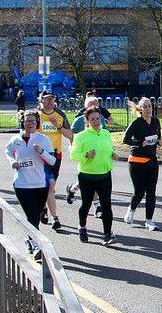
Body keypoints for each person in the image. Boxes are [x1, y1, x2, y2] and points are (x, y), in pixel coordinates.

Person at [5, 110, 56, 260]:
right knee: (32, 216)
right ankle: (36, 246)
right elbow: (7, 152)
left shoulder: (43, 139)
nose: (29, 124)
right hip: (22, 185)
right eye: (27, 121)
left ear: (37, 123)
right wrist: (12, 162)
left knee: (36, 217)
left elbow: (52, 161)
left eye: (32, 121)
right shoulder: (15, 140)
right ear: (23, 123)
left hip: (40, 184)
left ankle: (29, 239)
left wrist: (41, 152)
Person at [70, 106, 118, 245]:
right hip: (87, 176)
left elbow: (109, 147)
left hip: (104, 174)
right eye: (92, 119)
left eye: (98, 118)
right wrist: (86, 155)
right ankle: (82, 227)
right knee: (86, 204)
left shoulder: (105, 133)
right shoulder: (81, 136)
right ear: (87, 121)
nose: (96, 121)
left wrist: (113, 153)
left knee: (106, 205)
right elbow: (73, 154)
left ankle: (107, 235)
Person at [122, 97, 162, 231]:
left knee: (151, 192)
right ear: (140, 109)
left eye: (149, 106)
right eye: (144, 107)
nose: (147, 109)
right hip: (137, 161)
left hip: (152, 160)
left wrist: (160, 142)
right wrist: (140, 143)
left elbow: (159, 138)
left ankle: (149, 221)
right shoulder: (136, 123)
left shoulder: (156, 121)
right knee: (139, 192)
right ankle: (131, 209)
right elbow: (126, 139)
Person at [37, 90, 72, 230]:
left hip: (56, 154)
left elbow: (70, 135)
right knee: (47, 185)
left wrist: (58, 126)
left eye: (52, 99)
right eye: (47, 99)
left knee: (51, 185)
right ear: (41, 101)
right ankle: (54, 217)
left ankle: (45, 208)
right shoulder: (36, 115)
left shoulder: (60, 115)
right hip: (40, 155)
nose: (51, 101)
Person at [66, 96, 107, 215]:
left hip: (99, 156)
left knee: (87, 183)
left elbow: (103, 134)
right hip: (85, 155)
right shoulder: (80, 120)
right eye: (91, 105)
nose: (94, 108)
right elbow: (71, 134)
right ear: (86, 107)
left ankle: (72, 189)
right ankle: (97, 207)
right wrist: (75, 148)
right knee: (90, 183)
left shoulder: (101, 118)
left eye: (96, 105)